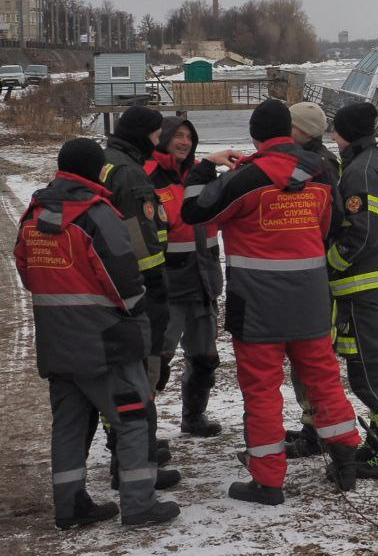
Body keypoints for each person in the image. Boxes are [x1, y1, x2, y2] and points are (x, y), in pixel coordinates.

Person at [181, 98, 361, 504]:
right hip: (312, 299)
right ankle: (346, 459)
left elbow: (194, 211)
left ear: (254, 134)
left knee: (262, 390)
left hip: (257, 305)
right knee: (324, 379)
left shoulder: (246, 177)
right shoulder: (320, 172)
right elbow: (329, 227)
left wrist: (205, 166)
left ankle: (268, 481)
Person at [14, 138, 180, 528]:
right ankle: (139, 505)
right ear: (96, 171)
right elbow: (124, 281)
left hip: (57, 344)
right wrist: (139, 313)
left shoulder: (33, 214)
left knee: (69, 425)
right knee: (133, 419)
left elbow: (25, 271)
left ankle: (69, 507)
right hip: (106, 343)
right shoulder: (97, 213)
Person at [327, 102, 378, 482]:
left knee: (368, 372)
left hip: (361, 285)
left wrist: (328, 263)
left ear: (346, 134)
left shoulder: (359, 172)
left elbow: (361, 234)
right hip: (372, 281)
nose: (331, 136)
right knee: (371, 364)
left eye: (335, 130)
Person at [100, 105, 178, 486]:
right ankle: (136, 460)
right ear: (140, 135)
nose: (158, 141)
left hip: (107, 283)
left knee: (122, 372)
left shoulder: (106, 161)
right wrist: (156, 281)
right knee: (141, 371)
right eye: (155, 134)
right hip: (136, 285)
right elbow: (138, 235)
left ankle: (126, 447)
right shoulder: (131, 174)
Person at [145, 116, 224, 437]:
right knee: (155, 362)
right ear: (162, 139)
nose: (184, 141)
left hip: (203, 281)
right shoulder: (148, 177)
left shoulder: (200, 176)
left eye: (189, 136)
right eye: (177, 135)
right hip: (168, 287)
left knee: (205, 358)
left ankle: (193, 417)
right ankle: (143, 432)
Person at [282, 101, 342, 459]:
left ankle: (315, 428)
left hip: (313, 272)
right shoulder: (321, 162)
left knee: (312, 357)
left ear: (302, 131)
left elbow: (326, 221)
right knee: (308, 356)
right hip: (312, 269)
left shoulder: (314, 167)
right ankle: (312, 423)